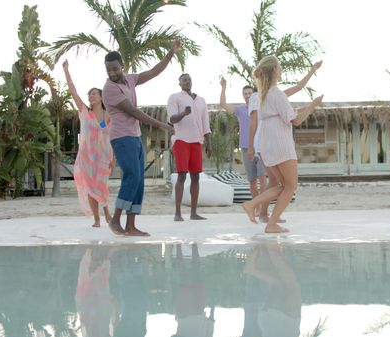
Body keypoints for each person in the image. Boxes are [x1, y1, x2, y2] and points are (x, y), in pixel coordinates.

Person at [102, 38, 179, 236]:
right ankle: (116, 220)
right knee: (132, 176)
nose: (112, 73)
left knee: (139, 180)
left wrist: (171, 52)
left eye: (115, 68)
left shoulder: (129, 79)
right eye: (108, 69)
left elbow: (153, 72)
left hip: (135, 136)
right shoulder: (109, 89)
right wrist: (162, 125)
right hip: (121, 137)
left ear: (122, 66)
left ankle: (130, 225)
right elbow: (133, 112)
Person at [241, 56, 324, 233]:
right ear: (273, 71)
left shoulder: (262, 95)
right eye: (279, 67)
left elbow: (284, 113)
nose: (281, 70)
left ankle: (253, 205)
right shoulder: (276, 93)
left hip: (267, 145)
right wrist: (313, 105)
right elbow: (295, 120)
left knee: (280, 185)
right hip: (280, 144)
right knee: (291, 185)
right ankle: (270, 223)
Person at [63, 60, 114, 228]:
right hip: (86, 156)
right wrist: (66, 71)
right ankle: (97, 219)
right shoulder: (85, 112)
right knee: (91, 188)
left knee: (101, 185)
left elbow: (111, 137)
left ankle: (107, 212)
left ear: (101, 97)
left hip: (103, 156)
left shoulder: (108, 116)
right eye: (89, 95)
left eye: (94, 94)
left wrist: (113, 158)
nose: (90, 96)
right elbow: (73, 91)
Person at [167, 73, 212, 222]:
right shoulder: (175, 97)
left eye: (189, 79)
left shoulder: (201, 100)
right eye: (184, 79)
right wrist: (183, 113)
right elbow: (172, 119)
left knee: (196, 176)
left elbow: (206, 123)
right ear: (179, 83)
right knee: (181, 175)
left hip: (196, 142)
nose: (187, 81)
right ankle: (178, 213)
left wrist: (208, 143)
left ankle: (193, 213)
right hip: (181, 140)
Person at [219, 78, 267, 214]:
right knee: (252, 180)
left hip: (261, 146)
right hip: (246, 148)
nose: (247, 95)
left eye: (249, 93)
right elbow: (223, 104)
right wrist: (223, 87)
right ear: (242, 95)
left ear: (254, 94)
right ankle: (256, 208)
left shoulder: (261, 107)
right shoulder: (239, 110)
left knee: (262, 177)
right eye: (245, 93)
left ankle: (263, 208)